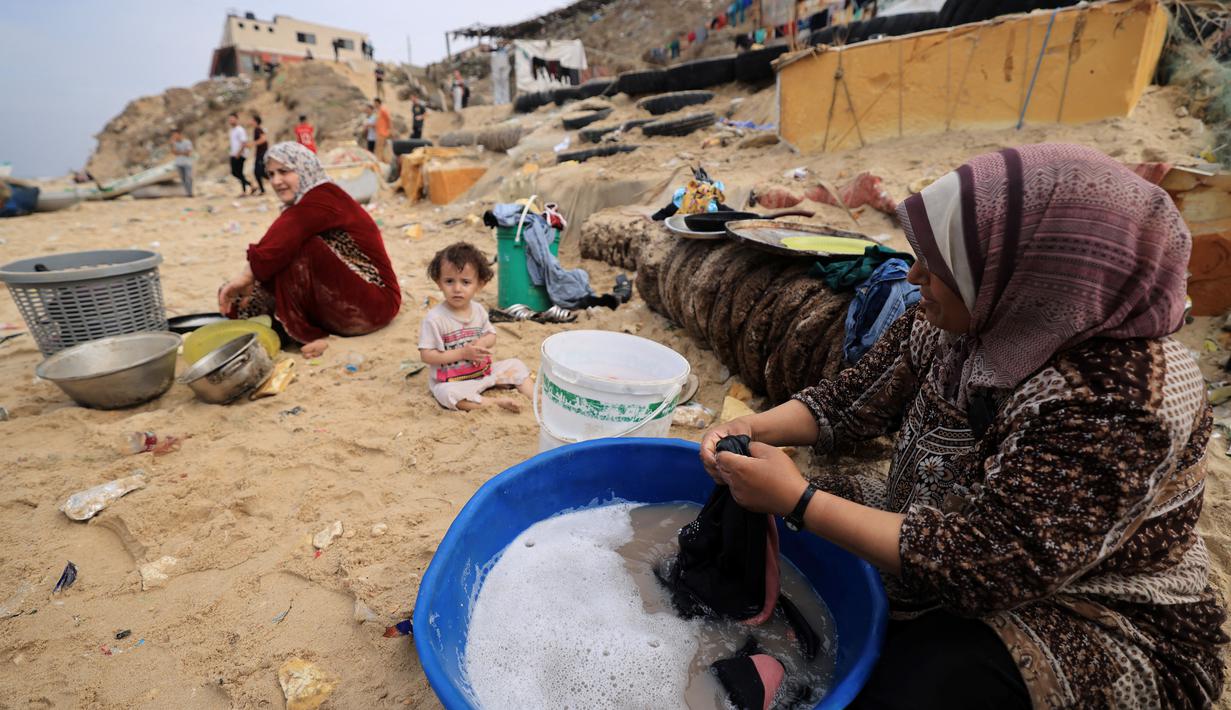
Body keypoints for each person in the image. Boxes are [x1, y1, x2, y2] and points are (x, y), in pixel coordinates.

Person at [701, 143, 1227, 708]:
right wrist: (754, 431)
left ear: (1033, 275)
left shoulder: (1119, 404)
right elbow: (849, 401)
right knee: (745, 490)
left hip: (1092, 606)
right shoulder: (960, 314)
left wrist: (799, 500)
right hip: (947, 517)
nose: (914, 274)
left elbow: (985, 567)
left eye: (940, 264)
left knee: (924, 681)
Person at [217, 142, 401, 358]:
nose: (276, 181)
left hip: (375, 304)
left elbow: (278, 244)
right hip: (354, 300)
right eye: (271, 174)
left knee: (297, 249)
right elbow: (274, 244)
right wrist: (250, 279)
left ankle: (314, 336)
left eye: (284, 171)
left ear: (305, 168)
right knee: (244, 299)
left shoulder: (322, 197)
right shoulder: (308, 201)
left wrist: (246, 276)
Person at [418, 242, 533, 412]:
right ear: (439, 283)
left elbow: (491, 336)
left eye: (465, 282)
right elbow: (426, 355)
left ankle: (535, 397)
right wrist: (462, 353)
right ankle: (495, 403)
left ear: (479, 284)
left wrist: (482, 342)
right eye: (449, 281)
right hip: (452, 381)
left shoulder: (478, 310)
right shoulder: (435, 318)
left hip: (483, 373)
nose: (457, 289)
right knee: (447, 395)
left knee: (516, 365)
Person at [227, 113, 252, 196]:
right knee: (235, 173)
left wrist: (239, 153)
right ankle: (250, 185)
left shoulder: (240, 130)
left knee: (239, 172)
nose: (231, 121)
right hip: (233, 154)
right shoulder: (232, 131)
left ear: (236, 119)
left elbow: (243, 142)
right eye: (229, 119)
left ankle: (244, 191)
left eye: (232, 119)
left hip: (240, 154)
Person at [169, 128, 194, 197]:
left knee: (188, 178)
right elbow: (174, 152)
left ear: (179, 134)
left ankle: (190, 193)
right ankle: (187, 193)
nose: (174, 136)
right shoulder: (174, 144)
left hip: (187, 163)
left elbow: (188, 153)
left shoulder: (187, 142)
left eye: (175, 135)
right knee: (183, 179)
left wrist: (179, 153)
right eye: (173, 135)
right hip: (179, 164)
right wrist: (172, 144)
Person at [248, 113, 268, 195]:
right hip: (260, 153)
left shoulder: (258, 129)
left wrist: (253, 143)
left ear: (256, 121)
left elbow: (263, 139)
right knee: (258, 172)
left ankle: (263, 189)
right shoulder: (257, 129)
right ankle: (262, 189)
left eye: (252, 120)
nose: (251, 122)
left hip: (262, 153)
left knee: (258, 172)